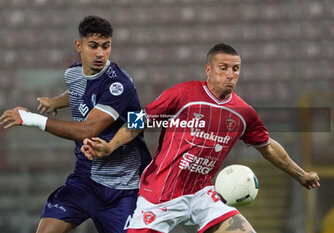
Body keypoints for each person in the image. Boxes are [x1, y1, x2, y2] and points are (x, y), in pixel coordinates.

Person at [81, 43, 320, 233]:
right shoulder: (183, 94)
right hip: (160, 195)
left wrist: (301, 175)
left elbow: (267, 147)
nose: (230, 75)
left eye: (235, 69)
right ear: (208, 69)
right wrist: (110, 146)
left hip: (201, 195)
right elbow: (138, 122)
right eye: (223, 68)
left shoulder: (244, 113)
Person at [0, 15, 151, 233]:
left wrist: (31, 119)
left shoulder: (119, 85)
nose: (100, 53)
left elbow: (89, 130)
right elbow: (78, 91)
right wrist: (54, 102)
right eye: (93, 46)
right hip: (86, 178)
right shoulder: (73, 73)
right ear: (78, 45)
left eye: (106, 46)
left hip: (121, 188)